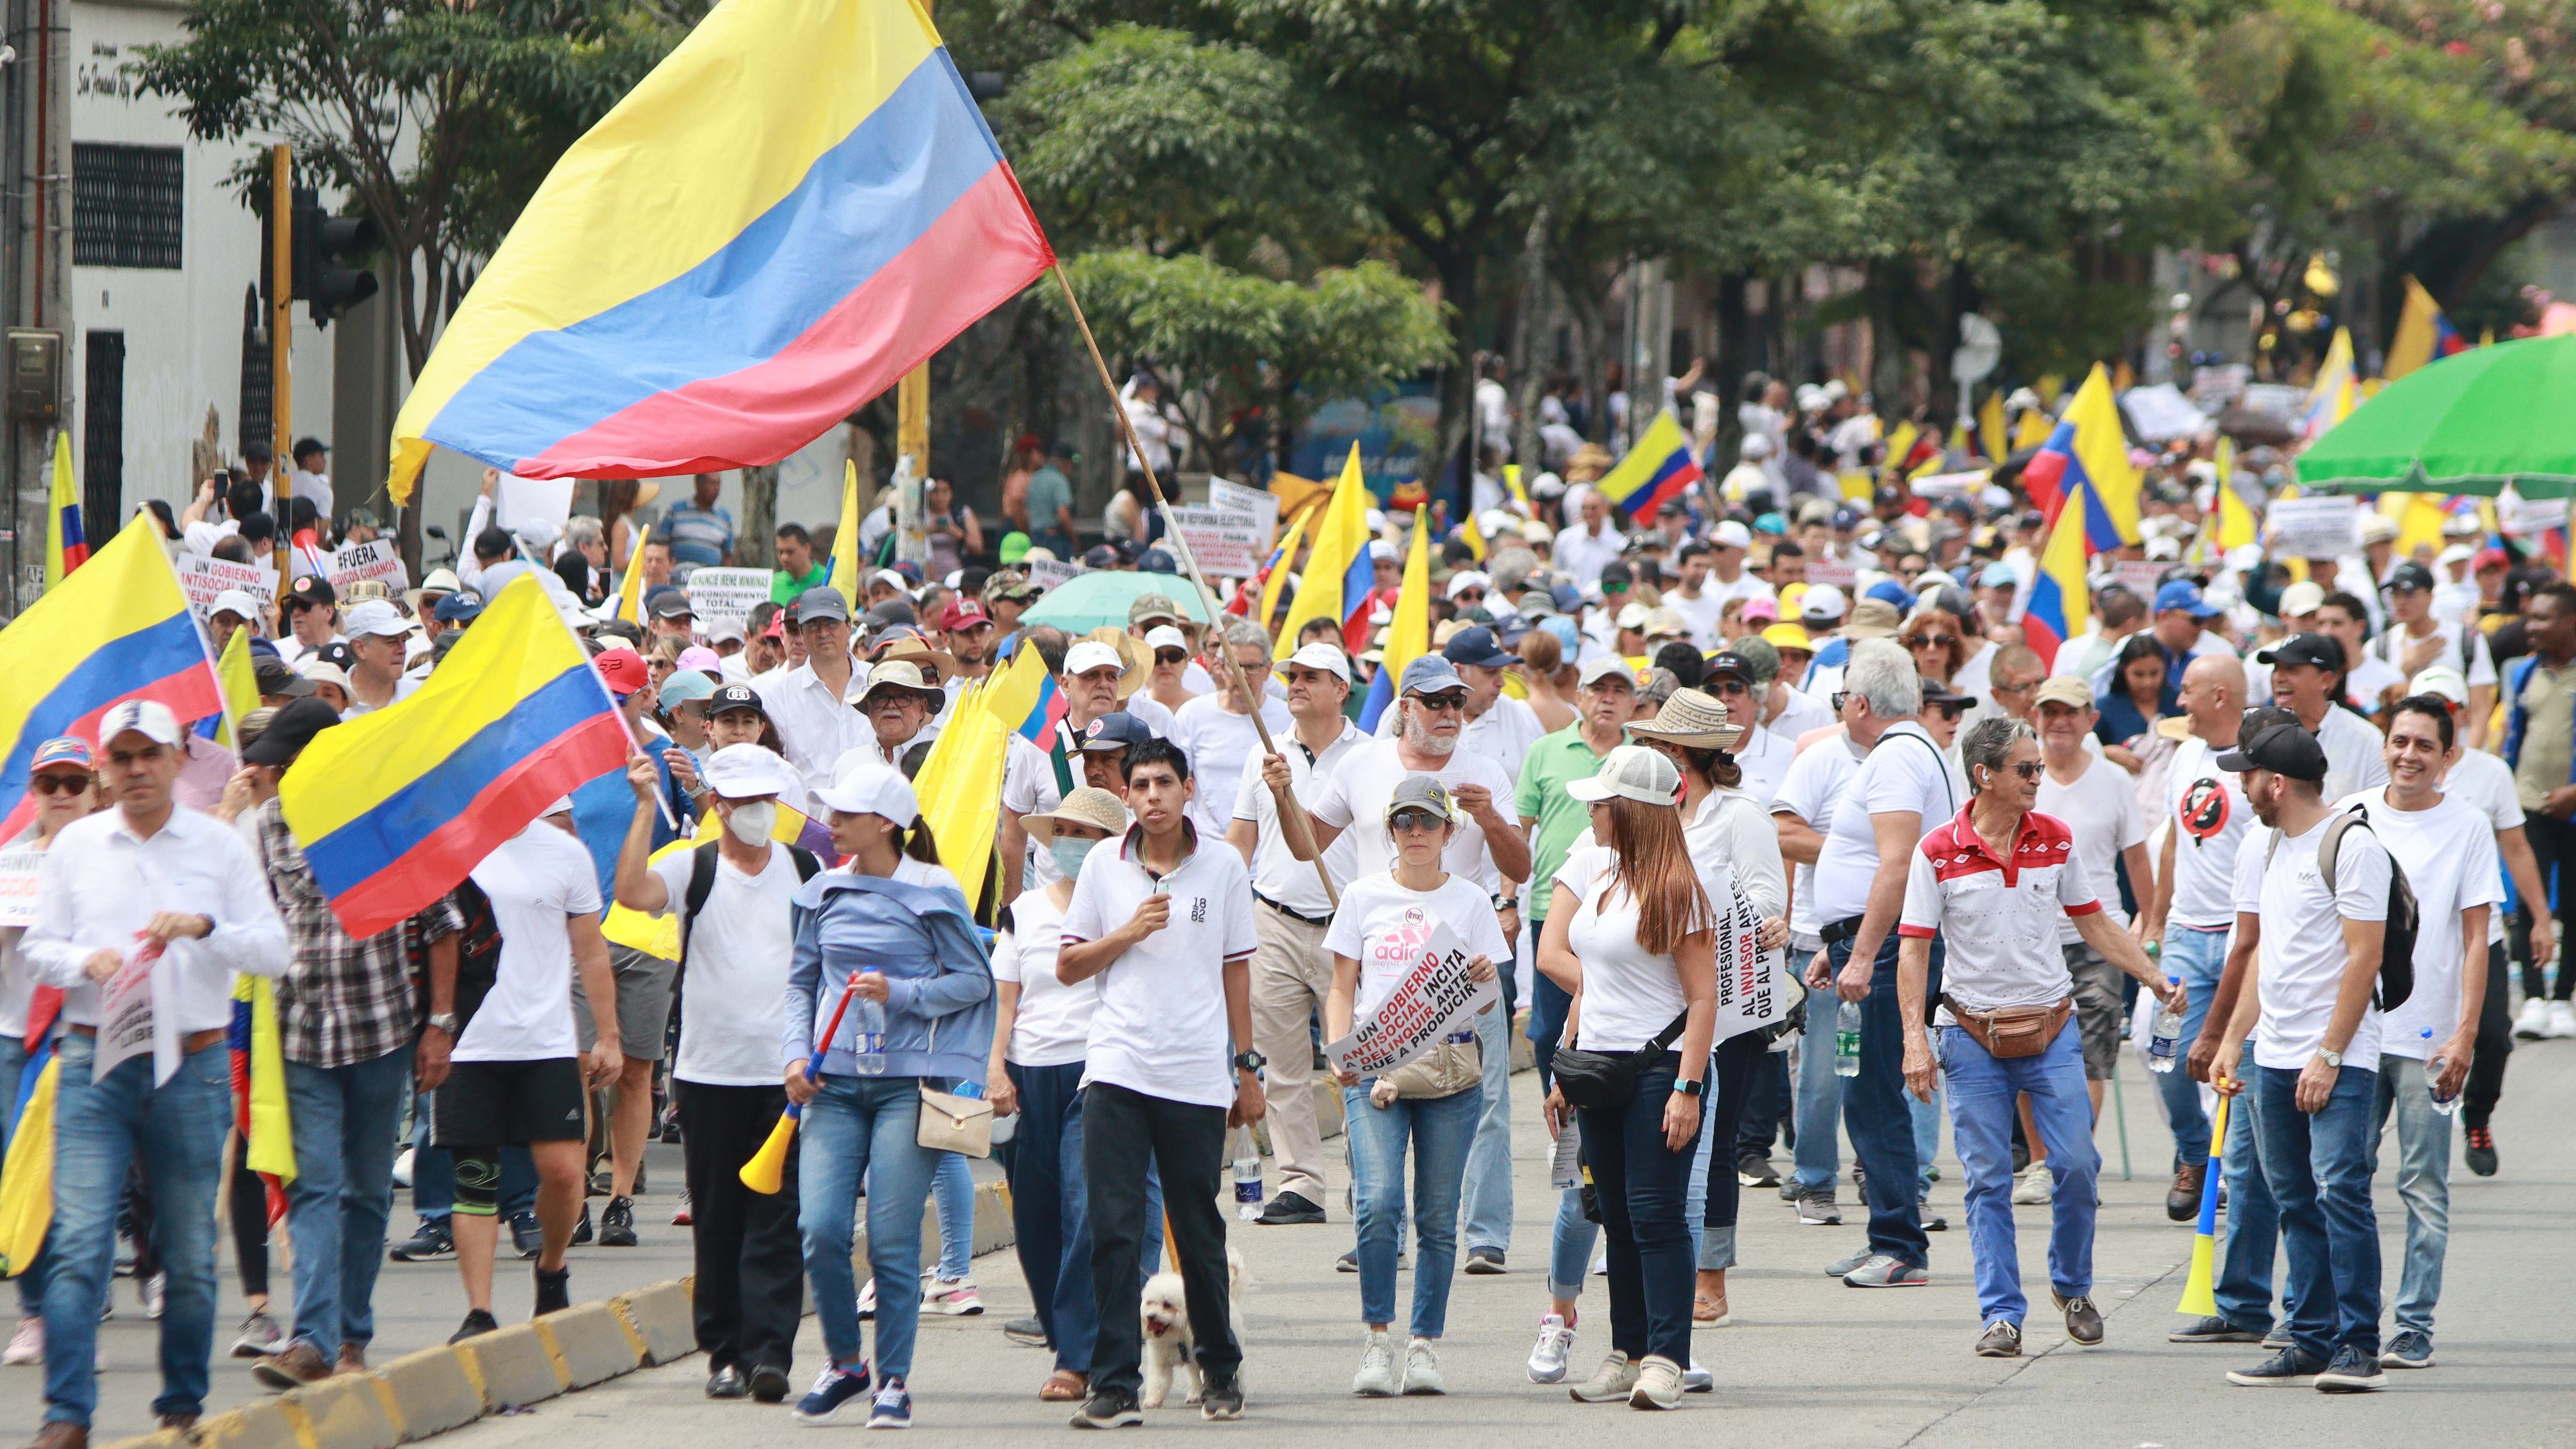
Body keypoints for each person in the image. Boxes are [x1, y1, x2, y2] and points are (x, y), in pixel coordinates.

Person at [20, 702, 290, 1445]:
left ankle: (181, 1406)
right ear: (106, 769)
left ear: (178, 760)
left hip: (192, 1062)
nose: (137, 769)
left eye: (152, 756)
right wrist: (85, 961)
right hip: (93, 1061)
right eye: (124, 757)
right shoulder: (75, 848)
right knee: (79, 1243)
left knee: (190, 1255)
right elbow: (39, 948)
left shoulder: (219, 845)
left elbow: (274, 951)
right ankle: (66, 1415)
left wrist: (206, 928)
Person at [1895, 716, 2183, 1358]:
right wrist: (1915, 1040)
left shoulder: (2054, 838)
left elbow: (2094, 924)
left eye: (2037, 768)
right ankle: (2001, 1315)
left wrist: (2151, 974)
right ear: (1984, 775)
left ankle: (2072, 1287)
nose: (2038, 778)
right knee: (1987, 1179)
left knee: (2077, 1166)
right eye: (2025, 769)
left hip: (2051, 1028)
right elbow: (1913, 950)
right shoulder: (1936, 849)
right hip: (1969, 1035)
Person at [235, 699, 465, 1387]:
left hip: (383, 1035)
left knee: (366, 1193)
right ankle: (311, 1339)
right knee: (316, 1189)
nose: (275, 771)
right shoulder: (268, 825)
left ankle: (352, 1337)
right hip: (301, 1036)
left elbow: (443, 925)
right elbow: (253, 919)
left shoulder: (387, 818)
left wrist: (439, 1027)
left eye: (287, 758)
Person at [1059, 739, 1261, 1428]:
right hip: (1117, 1068)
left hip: (1197, 1076)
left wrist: (1247, 1066)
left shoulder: (1224, 864)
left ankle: (1221, 1370)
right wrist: (1126, 933)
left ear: (1188, 789)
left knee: (1197, 1230)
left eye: (1164, 782)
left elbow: (1238, 970)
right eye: (1140, 783)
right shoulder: (1100, 864)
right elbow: (1070, 965)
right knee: (1112, 1230)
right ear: (1127, 793)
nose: (1152, 795)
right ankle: (1113, 1382)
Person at [786, 764, 992, 1430]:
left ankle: (894, 1380)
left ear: (884, 824)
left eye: (845, 814)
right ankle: (846, 1364)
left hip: (911, 1086)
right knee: (819, 1230)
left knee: (893, 1240)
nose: (832, 823)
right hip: (833, 1087)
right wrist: (794, 1054)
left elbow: (973, 981)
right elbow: (800, 982)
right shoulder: (822, 890)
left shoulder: (936, 890)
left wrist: (898, 995)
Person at [613, 744, 818, 1403]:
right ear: (721, 806)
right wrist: (646, 806)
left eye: (768, 800)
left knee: (778, 1219)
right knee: (720, 1217)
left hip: (784, 1074)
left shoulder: (804, 867)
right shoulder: (692, 866)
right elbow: (631, 893)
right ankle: (723, 1352)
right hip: (707, 1074)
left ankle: (769, 1353)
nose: (759, 812)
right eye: (746, 802)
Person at [2208, 720, 2392, 1393]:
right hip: (2272, 1053)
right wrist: (2235, 1042)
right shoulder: (2265, 845)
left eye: (2247, 775)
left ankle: (2359, 1343)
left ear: (2276, 783)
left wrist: (2330, 1053)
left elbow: (2364, 955)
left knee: (2340, 1191)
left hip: (2335, 1055)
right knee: (2293, 1199)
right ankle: (2309, 1337)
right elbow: (2266, 953)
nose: (2242, 786)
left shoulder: (2351, 846)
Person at [1537, 746, 1717, 1411]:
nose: (1590, 809)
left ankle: (1666, 1358)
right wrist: (1567, 1061)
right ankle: (1627, 1349)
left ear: (1632, 812)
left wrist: (1688, 1087)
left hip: (1657, 1070)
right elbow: (1595, 980)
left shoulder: (1676, 888)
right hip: (1601, 1069)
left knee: (1656, 1215)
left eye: (1601, 801)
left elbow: (1703, 998)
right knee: (1613, 1215)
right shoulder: (1605, 875)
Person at [1323, 775, 1507, 1397]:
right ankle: (1377, 1337)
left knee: (1436, 1215)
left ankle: (1423, 1344)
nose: (1416, 833)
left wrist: (1484, 975)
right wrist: (1338, 1045)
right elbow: (1341, 986)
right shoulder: (1361, 895)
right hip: (1375, 1069)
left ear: (1449, 832)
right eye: (1404, 823)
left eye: (1428, 822)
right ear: (1389, 832)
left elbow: (1488, 998)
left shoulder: (1472, 902)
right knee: (1377, 1204)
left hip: (1450, 1071)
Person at [2345, 696, 2497, 1370]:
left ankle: (2412, 1325)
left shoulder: (2468, 826)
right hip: (2352, 1034)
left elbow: (2477, 940)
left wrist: (2464, 1035)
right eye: (2399, 741)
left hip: (2427, 1037)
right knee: (2339, 1181)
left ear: (2448, 758)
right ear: (2384, 745)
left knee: (2423, 1184)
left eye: (2424, 746)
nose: (2409, 755)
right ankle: (2341, 1319)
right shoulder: (2352, 816)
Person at [1628, 689, 1787, 1329]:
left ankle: (1710, 1275)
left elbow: (1764, 896)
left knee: (1713, 1143)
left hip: (1727, 1001)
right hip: (1652, 996)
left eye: (1655, 745)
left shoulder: (1739, 813)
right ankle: (1659, 1259)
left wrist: (1767, 924)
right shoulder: (1649, 815)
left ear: (1677, 753)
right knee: (1655, 1136)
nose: (1646, 754)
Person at [1806, 637, 1961, 1287]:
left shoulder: (1896, 757)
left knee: (1873, 1095)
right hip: (1870, 940)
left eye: (1843, 699)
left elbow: (1896, 863)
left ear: (1860, 702)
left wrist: (1862, 953)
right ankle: (1887, 1233)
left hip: (1887, 943)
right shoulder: (1905, 751)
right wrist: (1837, 942)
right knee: (1863, 1090)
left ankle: (1899, 1243)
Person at [438, 799, 622, 1342]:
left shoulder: (565, 853)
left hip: (546, 1040)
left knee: (564, 1172)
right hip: (469, 1042)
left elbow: (590, 951)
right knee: (475, 1176)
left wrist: (607, 1035)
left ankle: (551, 1267)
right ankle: (479, 1310)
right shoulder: (451, 847)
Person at [989, 788, 1137, 1402]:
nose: (1073, 844)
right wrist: (996, 1069)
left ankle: (1080, 1356)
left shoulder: (1129, 909)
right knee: (1037, 1220)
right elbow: (1005, 1002)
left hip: (1095, 1071)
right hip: (1028, 1077)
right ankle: (1065, 1337)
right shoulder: (1022, 911)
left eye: (1088, 834)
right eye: (1065, 832)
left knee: (1084, 1211)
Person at [1233, 643, 1364, 1226]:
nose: (1296, 684)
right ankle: (1301, 1182)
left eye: (1312, 676)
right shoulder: (1262, 752)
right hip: (1275, 920)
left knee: (1358, 1059)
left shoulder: (1370, 756)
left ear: (1341, 688)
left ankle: (1370, 1179)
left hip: (1348, 928)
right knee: (1283, 1065)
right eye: (1292, 675)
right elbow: (1241, 840)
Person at [2405, 664, 2550, 1176]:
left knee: (2490, 1035)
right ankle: (2418, 1133)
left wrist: (2538, 917)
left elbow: (2515, 846)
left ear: (2461, 715)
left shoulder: (2487, 773)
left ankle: (2477, 1116)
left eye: (2444, 708)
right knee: (2415, 1037)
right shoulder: (2398, 768)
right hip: (2417, 936)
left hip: (2477, 933)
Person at [2134, 654, 2253, 1221]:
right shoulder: (2184, 755)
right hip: (2186, 931)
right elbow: (2173, 844)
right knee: (2158, 1048)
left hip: (2242, 936)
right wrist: (2156, 921)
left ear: (2221, 697)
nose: (2178, 702)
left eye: (2188, 692)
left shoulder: (2258, 756)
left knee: (2234, 1060)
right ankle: (2191, 1152)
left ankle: (2231, 1171)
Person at [0, 738, 99, 1371]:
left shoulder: (115, 855)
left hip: (95, 1036)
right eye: (49, 784)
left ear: (95, 788)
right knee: (18, 1173)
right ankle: (36, 1314)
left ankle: (80, 1317)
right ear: (33, 793)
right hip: (19, 1038)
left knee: (86, 1188)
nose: (61, 794)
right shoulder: (12, 862)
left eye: (73, 782)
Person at [1772, 692, 1871, 1227]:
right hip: (1823, 937)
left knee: (1894, 1068)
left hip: (1900, 932)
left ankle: (1893, 1180)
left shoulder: (1914, 756)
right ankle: (1813, 1180)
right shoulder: (1819, 757)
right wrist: (1865, 854)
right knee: (1822, 1072)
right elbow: (1784, 833)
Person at [2502, 580, 2576, 1039]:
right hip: (2527, 802)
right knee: (2529, 902)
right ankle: (2532, 996)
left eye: (2543, 618)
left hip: (2572, 809)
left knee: (2571, 902)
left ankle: (2563, 998)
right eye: (2531, 618)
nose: (2532, 627)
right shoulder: (2526, 673)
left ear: (2570, 622)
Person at [1171, 622, 1291, 843]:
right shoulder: (1192, 715)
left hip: (1269, 851)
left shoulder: (1288, 719)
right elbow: (1178, 786)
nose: (1242, 675)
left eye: (1252, 667)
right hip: (1207, 847)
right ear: (1221, 667)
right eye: (1234, 666)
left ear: (1268, 670)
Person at [757, 588, 869, 793]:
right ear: (801, 633)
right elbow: (773, 767)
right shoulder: (779, 696)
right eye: (813, 625)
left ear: (849, 627)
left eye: (831, 624)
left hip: (876, 818)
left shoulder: (878, 681)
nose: (823, 633)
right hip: (809, 820)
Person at [2256, 632, 2389, 803]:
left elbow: (2380, 807)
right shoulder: (2262, 736)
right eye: (2276, 668)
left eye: (2291, 669)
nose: (2278, 678)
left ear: (2326, 680)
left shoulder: (2367, 739)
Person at [664, 474, 737, 572]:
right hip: (678, 575)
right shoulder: (676, 510)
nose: (717, 489)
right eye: (712, 483)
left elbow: (727, 555)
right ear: (699, 484)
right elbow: (662, 544)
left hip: (710, 579)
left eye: (719, 484)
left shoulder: (725, 517)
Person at [771, 524, 830, 604]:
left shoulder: (827, 580)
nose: (784, 558)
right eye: (780, 552)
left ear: (807, 549)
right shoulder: (773, 583)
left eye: (790, 552)